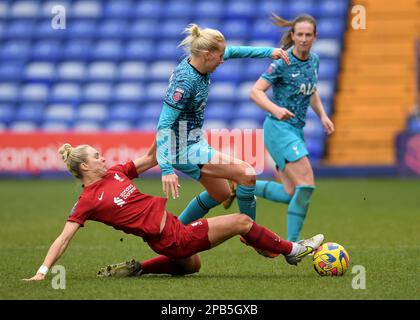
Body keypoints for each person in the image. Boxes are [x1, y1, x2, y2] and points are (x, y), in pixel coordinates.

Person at [23, 142, 324, 281]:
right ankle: (292, 250)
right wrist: (42, 272)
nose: (104, 159)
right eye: (97, 157)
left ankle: (139, 268)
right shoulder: (88, 200)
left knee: (191, 267)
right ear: (85, 166)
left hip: (165, 237)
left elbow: (151, 157)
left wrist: (167, 123)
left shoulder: (115, 173)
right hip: (171, 235)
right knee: (242, 221)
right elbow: (63, 238)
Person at [157, 23, 291, 225]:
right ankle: (252, 234)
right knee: (246, 174)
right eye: (220, 56)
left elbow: (235, 51)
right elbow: (163, 124)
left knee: (221, 192)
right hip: (182, 149)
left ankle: (175, 232)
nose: (222, 60)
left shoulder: (200, 62)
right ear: (206, 54)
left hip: (194, 140)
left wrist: (269, 52)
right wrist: (166, 170)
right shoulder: (185, 82)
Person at [223, 14, 335, 243]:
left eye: (308, 35)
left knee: (291, 193)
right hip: (279, 129)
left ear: (315, 37)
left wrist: (323, 115)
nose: (303, 39)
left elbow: (311, 90)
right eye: (299, 34)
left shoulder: (314, 60)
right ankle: (294, 245)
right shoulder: (282, 62)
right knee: (306, 186)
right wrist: (275, 109)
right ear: (292, 36)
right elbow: (255, 91)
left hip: (295, 130)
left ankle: (240, 185)